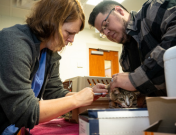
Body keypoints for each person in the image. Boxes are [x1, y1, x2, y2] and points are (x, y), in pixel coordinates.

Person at [0, 0, 108, 134]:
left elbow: (54, 93)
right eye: (69, 32)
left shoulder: (50, 52)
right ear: (51, 22)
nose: (72, 40)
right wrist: (77, 99)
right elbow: (25, 111)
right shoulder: (13, 43)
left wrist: (88, 94)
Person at [88, 0, 176, 97]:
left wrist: (134, 79)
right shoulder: (124, 59)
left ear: (119, 11)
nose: (106, 33)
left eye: (105, 24)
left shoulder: (152, 9)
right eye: (102, 32)